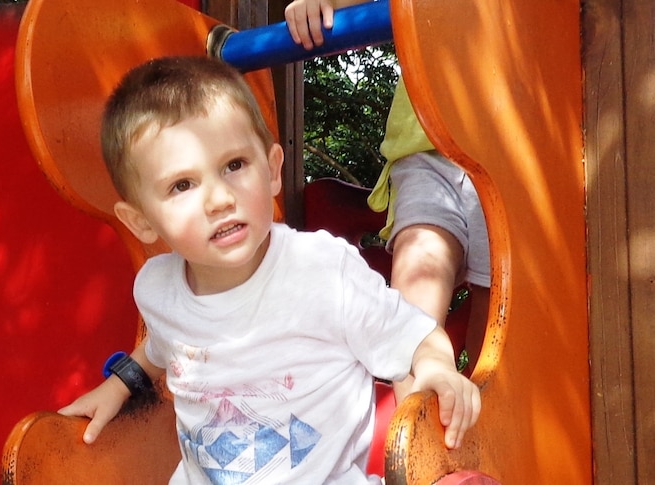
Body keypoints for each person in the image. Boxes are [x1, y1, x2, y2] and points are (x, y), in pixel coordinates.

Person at [59, 55, 480, 484]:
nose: (219, 198)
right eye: (182, 185)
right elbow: (161, 350)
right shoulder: (158, 289)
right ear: (141, 221)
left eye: (234, 165)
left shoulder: (320, 272)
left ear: (273, 169)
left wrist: (435, 368)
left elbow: (416, 334)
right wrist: (120, 384)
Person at [285, 0, 492, 391]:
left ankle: (492, 422)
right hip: (426, 144)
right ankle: (413, 430)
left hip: (510, 151)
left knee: (498, 313)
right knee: (417, 285)